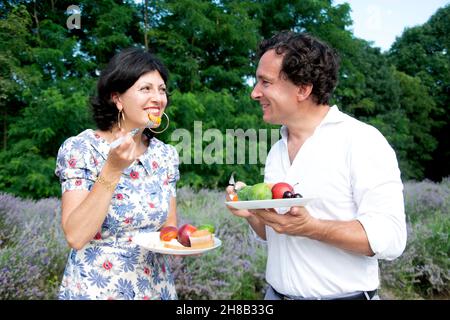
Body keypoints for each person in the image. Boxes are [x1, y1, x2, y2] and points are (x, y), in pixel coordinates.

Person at [226, 31, 407, 300]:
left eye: (265, 82)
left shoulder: (362, 140)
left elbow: (390, 238)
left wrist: (312, 227)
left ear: (303, 89)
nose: (254, 93)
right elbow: (278, 231)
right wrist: (251, 212)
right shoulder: (277, 150)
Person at [55, 48, 179, 300]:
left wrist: (189, 242)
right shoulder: (81, 149)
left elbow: (169, 227)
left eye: (162, 89)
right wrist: (112, 169)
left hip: (156, 289)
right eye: (146, 89)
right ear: (117, 98)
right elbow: (76, 236)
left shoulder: (165, 156)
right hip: (97, 290)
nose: (158, 98)